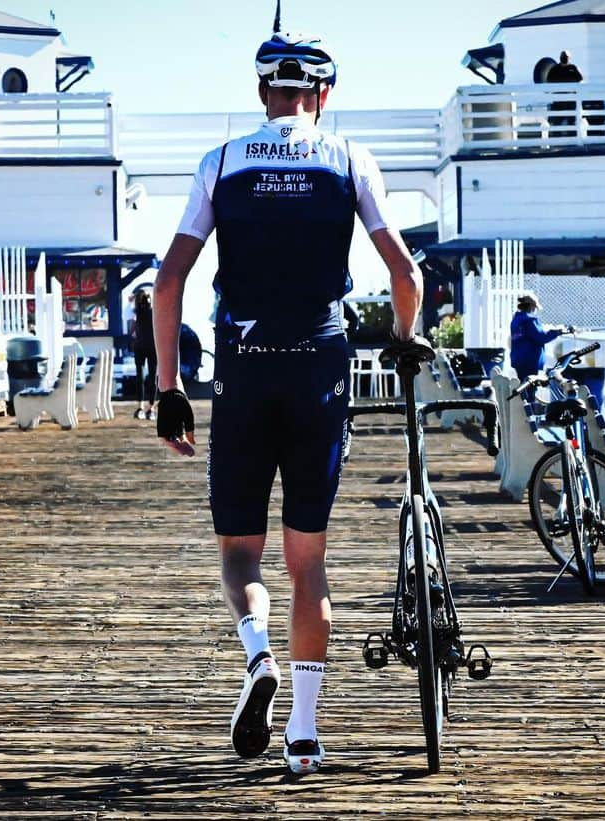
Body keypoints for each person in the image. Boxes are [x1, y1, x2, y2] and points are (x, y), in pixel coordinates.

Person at [151, 29, 422, 775]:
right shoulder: (348, 157)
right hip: (320, 366)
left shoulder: (223, 161)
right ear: (323, 96)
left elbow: (166, 284)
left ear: (263, 92)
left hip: (243, 366)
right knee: (309, 562)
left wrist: (170, 388)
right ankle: (303, 733)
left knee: (242, 553)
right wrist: (403, 337)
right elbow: (405, 272)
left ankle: (257, 652)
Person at [509, 292, 572, 380]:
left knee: (523, 384)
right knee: (530, 386)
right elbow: (541, 337)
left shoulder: (516, 320)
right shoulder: (530, 321)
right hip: (529, 360)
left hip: (518, 359)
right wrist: (557, 332)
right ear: (531, 307)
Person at [131, 289, 156, 420]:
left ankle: (143, 407)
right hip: (150, 346)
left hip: (143, 346)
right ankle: (149, 408)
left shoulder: (137, 312)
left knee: (143, 377)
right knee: (150, 377)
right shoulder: (152, 311)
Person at [546, 50, 584, 138]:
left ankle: (572, 141)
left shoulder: (573, 68)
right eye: (563, 57)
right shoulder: (555, 69)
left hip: (571, 100)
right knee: (556, 122)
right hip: (558, 100)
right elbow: (548, 81)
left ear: (569, 58)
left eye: (566, 57)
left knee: (572, 122)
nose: (565, 59)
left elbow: (581, 80)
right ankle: (556, 141)